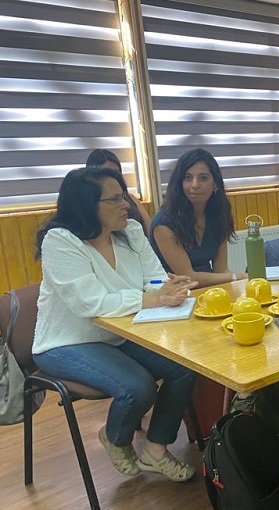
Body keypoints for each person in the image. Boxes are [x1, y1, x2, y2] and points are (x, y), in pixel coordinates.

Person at [32, 166, 198, 482]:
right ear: (87, 206)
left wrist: (168, 288)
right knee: (137, 387)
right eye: (116, 199)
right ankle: (115, 437)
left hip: (117, 334)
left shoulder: (131, 232)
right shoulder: (60, 241)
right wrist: (152, 297)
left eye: (124, 196)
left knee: (185, 366)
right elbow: (89, 303)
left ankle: (156, 448)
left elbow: (154, 279)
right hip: (65, 342)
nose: (127, 205)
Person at [150, 148, 243, 288]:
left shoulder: (219, 214)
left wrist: (236, 282)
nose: (195, 185)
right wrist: (237, 277)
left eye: (203, 178)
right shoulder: (164, 222)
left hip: (210, 290)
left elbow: (221, 270)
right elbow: (188, 277)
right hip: (174, 294)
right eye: (188, 178)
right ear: (180, 183)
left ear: (215, 184)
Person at [86, 149, 152, 234]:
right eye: (108, 173)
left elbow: (149, 229)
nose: (113, 177)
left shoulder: (131, 198)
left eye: (116, 172)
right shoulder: (93, 205)